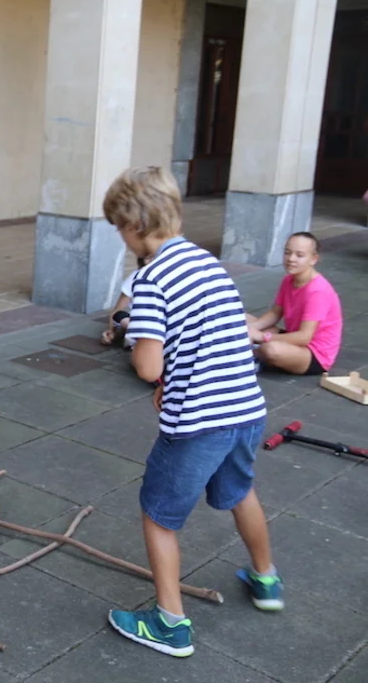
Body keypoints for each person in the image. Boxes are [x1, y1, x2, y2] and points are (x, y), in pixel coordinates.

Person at [102, 166, 281, 658]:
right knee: (240, 491)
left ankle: (169, 623)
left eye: (118, 227)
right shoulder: (207, 263)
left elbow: (148, 366)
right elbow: (216, 337)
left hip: (198, 423)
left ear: (134, 224)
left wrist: (131, 331)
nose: (120, 237)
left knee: (159, 515)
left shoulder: (151, 279)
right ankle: (266, 579)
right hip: (245, 409)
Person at [246, 232, 342, 375]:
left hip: (314, 354)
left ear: (313, 259)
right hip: (293, 337)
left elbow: (304, 337)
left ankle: (250, 356)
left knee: (271, 350)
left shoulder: (318, 290)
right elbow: (275, 313)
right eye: (287, 252)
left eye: (299, 255)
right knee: (243, 318)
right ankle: (252, 347)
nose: (291, 259)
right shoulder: (289, 280)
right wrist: (249, 329)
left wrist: (261, 337)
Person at [101, 256, 151, 350]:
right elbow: (117, 311)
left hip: (161, 323)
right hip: (139, 322)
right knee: (119, 316)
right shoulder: (136, 277)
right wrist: (111, 332)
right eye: (148, 257)